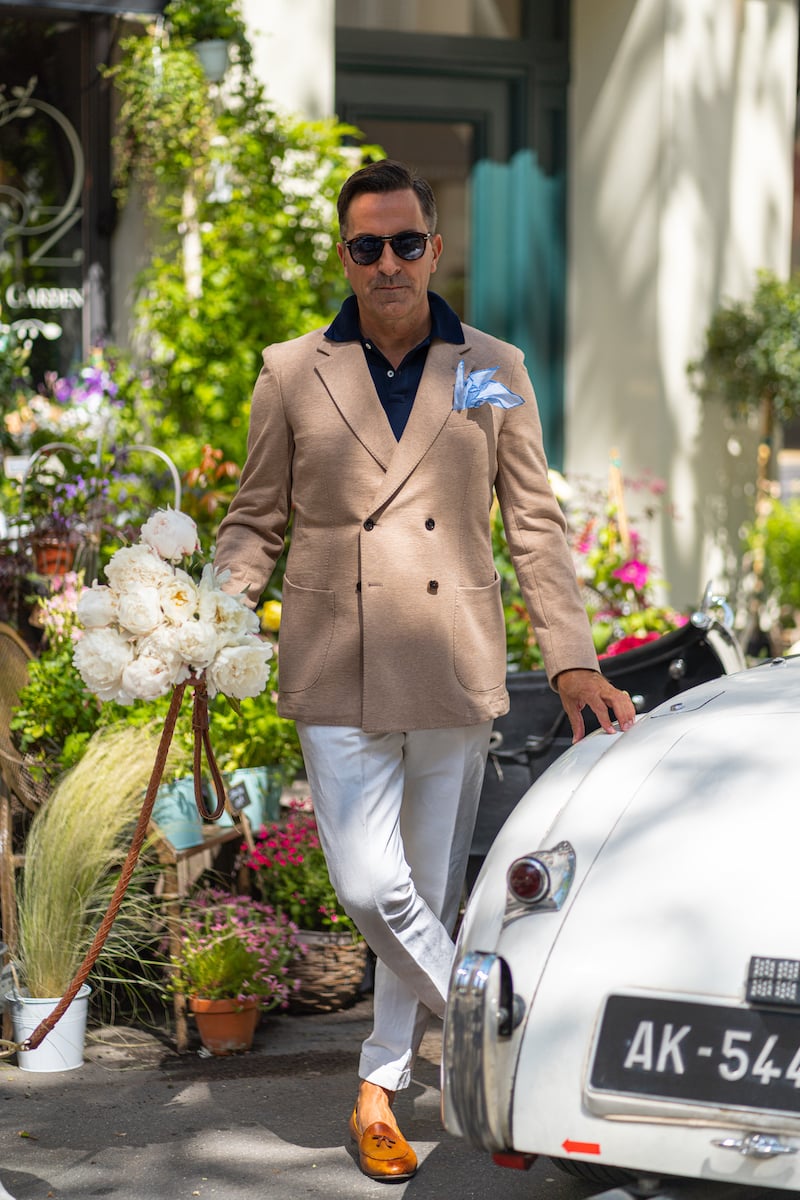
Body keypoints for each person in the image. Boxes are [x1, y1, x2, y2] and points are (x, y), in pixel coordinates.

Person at [214, 159, 635, 1181]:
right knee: (371, 881)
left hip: (450, 655)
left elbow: (532, 524)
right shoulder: (291, 371)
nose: (389, 263)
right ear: (344, 257)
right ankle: (512, 1039)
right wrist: (204, 620)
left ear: (435, 249)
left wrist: (571, 660)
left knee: (429, 886)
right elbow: (255, 519)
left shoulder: (490, 366)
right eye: (368, 247)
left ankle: (380, 1086)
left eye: (406, 243)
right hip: (336, 656)